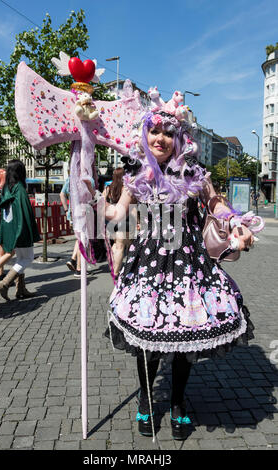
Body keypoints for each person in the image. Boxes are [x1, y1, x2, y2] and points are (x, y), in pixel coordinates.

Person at [84, 98, 257, 442]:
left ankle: (177, 404)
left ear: (178, 137)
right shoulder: (135, 176)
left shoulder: (195, 173)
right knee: (148, 343)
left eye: (167, 132)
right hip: (148, 267)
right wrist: (90, 198)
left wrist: (236, 222)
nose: (160, 138)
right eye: (154, 131)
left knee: (183, 344)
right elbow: (117, 215)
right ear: (145, 135)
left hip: (189, 267)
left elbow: (216, 204)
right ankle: (147, 402)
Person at [0, 160, 40, 300]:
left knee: (20, 258)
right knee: (26, 258)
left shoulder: (7, 188)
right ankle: (5, 282)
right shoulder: (20, 188)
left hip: (10, 228)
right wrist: (29, 232)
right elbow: (24, 212)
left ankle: (20, 289)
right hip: (20, 229)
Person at [103, 167, 133, 277]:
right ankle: (115, 272)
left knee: (115, 244)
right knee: (121, 246)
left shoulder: (108, 188)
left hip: (111, 218)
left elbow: (102, 200)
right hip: (125, 217)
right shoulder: (126, 188)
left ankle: (113, 266)